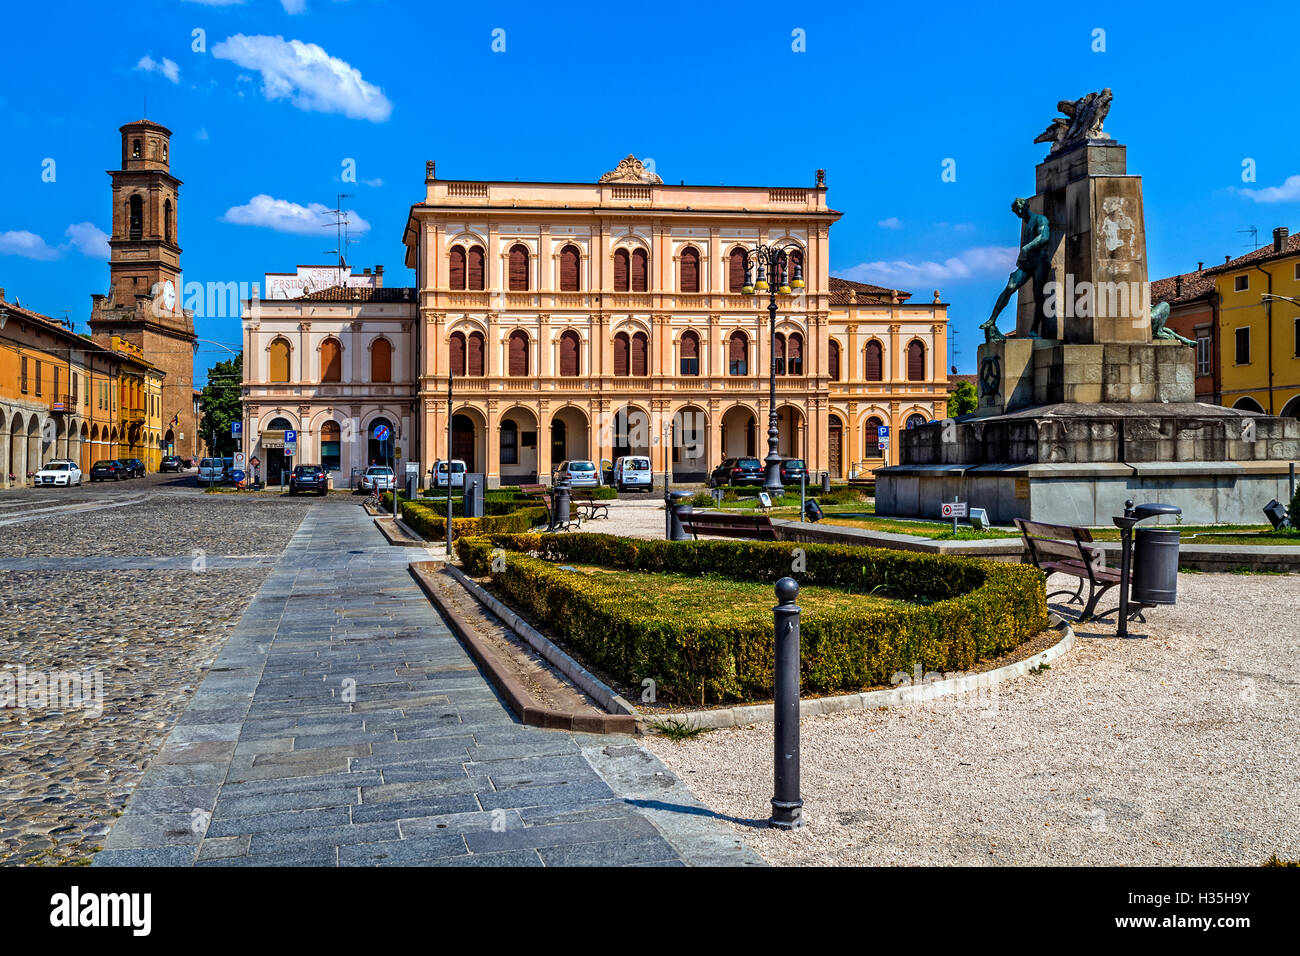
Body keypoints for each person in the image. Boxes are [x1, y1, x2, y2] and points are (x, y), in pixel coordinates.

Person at [980, 198, 1052, 342]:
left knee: (1038, 295)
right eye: (1016, 212)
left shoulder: (1040, 219)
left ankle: (1033, 330)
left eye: (1019, 210)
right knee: (1010, 286)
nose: (1018, 214)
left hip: (1040, 262)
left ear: (1025, 207)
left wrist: (1027, 248)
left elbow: (1044, 237)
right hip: (1027, 264)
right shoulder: (1026, 224)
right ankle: (992, 319)